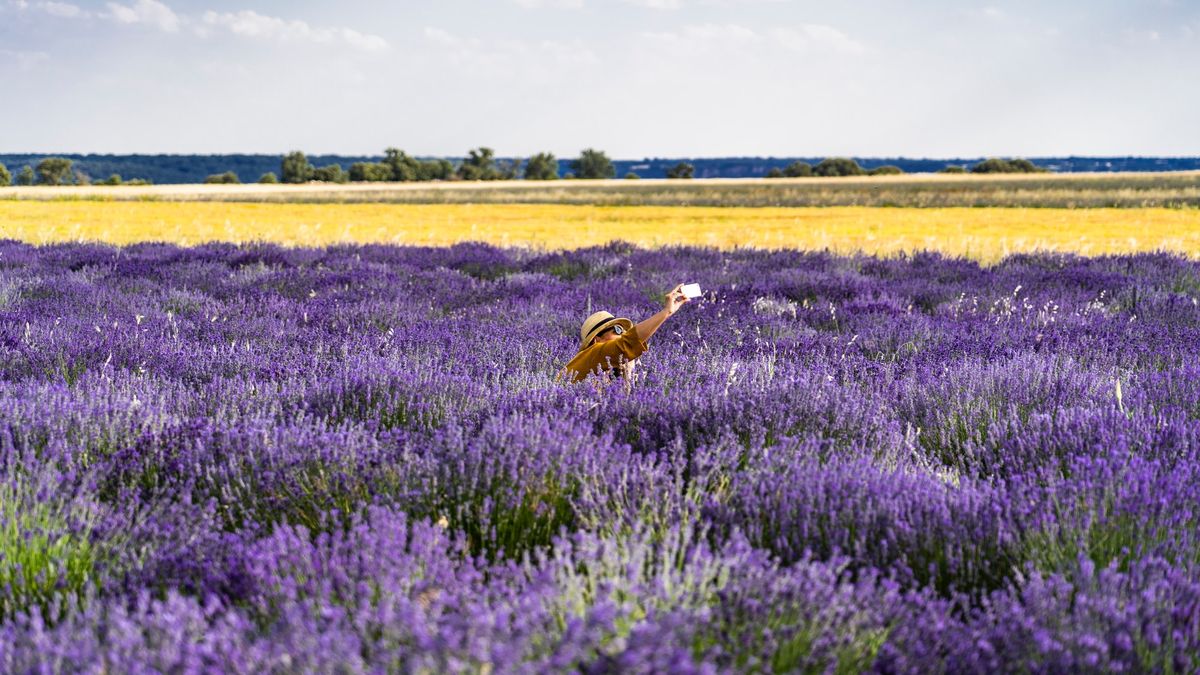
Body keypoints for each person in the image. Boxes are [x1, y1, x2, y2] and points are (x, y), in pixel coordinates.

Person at [561, 284, 691, 385]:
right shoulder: (593, 353)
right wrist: (666, 311)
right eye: (617, 330)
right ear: (597, 340)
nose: (623, 333)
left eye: (624, 330)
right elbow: (627, 343)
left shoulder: (611, 367)